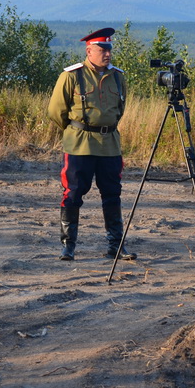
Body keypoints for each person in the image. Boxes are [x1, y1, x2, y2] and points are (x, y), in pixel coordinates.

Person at [47, 27, 136, 262]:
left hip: (109, 145)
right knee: (73, 194)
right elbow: (56, 111)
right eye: (102, 49)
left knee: (112, 194)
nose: (107, 54)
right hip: (79, 145)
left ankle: (115, 247)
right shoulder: (72, 76)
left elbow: (120, 110)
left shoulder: (118, 76)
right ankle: (68, 247)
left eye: (109, 49)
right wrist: (77, 129)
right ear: (89, 50)